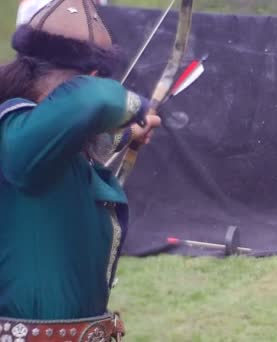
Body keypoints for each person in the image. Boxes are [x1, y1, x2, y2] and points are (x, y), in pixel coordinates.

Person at [0, 0, 160, 340]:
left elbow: (80, 141)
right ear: (89, 77)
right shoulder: (14, 129)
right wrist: (135, 107)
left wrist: (130, 133)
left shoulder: (48, 146)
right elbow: (94, 102)